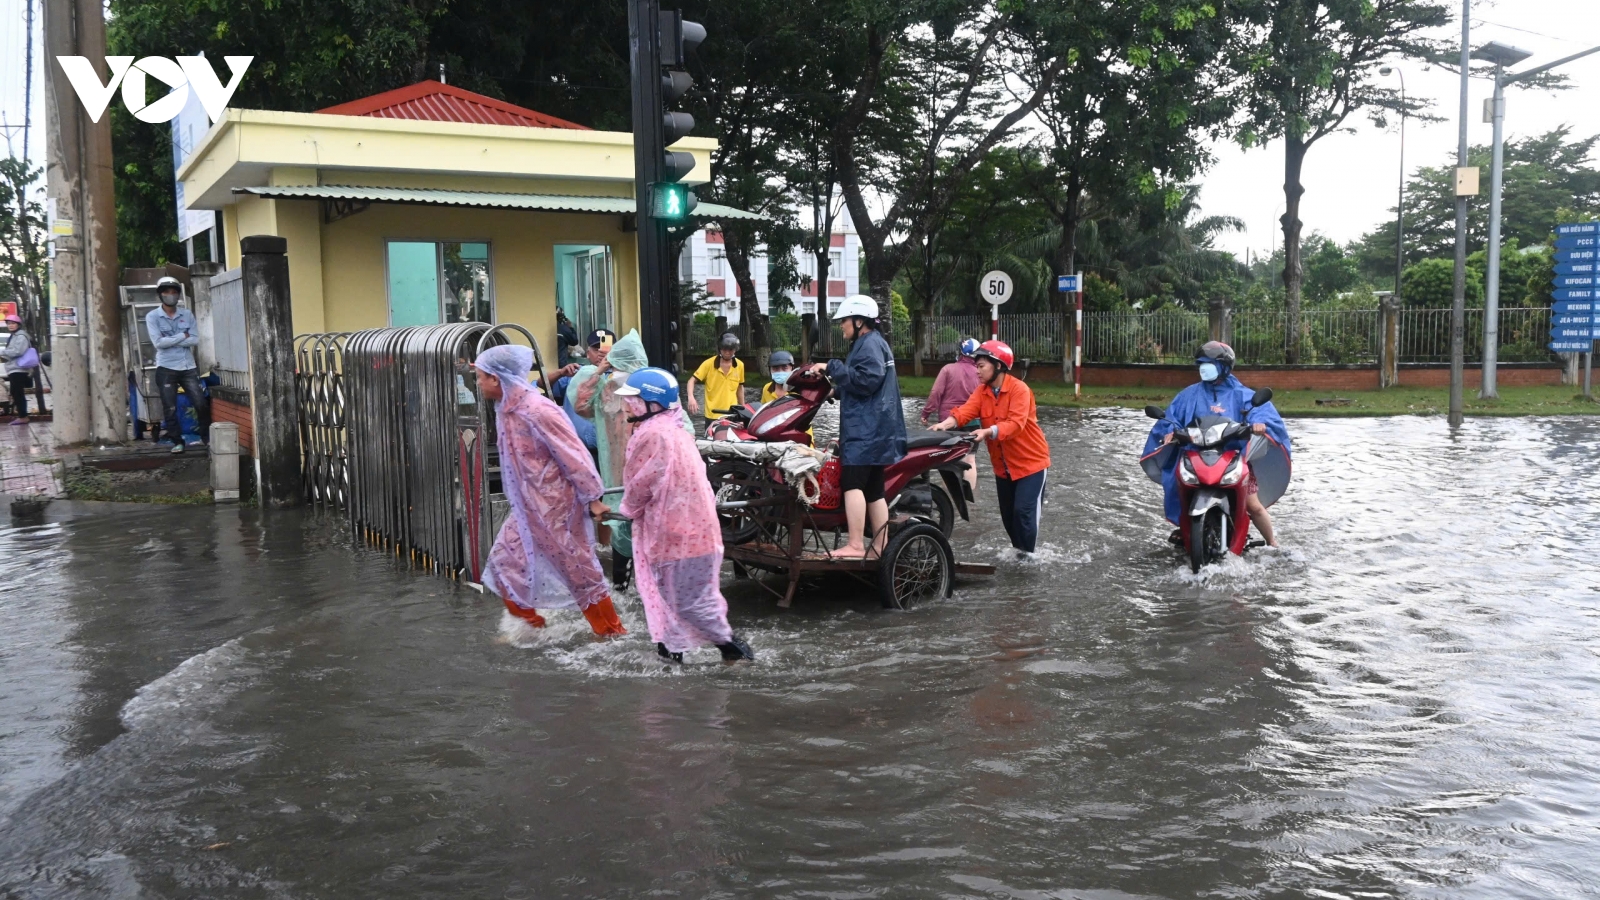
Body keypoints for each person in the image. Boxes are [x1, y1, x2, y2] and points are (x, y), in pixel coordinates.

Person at [473, 343, 627, 637]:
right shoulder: (507, 408)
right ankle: (533, 627)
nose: (477, 383)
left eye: (480, 376)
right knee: (505, 562)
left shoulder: (538, 409)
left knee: (579, 570)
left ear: (495, 378)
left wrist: (593, 499)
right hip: (528, 506)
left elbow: (575, 454)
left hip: (558, 505)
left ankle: (612, 633)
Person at [616, 367, 754, 663]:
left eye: (634, 400)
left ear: (650, 404)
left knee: (690, 605)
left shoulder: (653, 434)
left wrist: (624, 509)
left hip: (677, 537)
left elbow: (640, 484)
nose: (628, 406)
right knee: (679, 602)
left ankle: (735, 653)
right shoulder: (676, 430)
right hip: (696, 534)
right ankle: (672, 659)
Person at [572, 329, 691, 591]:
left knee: (657, 531)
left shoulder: (657, 388)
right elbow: (581, 407)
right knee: (622, 529)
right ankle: (623, 591)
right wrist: (597, 372)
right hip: (618, 473)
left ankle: (660, 591)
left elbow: (686, 432)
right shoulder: (606, 389)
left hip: (654, 474)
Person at [1142, 341, 1290, 547]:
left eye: (1209, 363)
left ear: (1224, 367)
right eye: (1201, 363)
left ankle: (1273, 543)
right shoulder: (1189, 394)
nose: (1204, 367)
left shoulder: (1241, 394)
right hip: (1195, 454)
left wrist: (1259, 424)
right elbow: (1171, 417)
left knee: (1253, 505)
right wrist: (1169, 431)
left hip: (1232, 456)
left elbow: (1261, 411)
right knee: (1179, 484)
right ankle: (1184, 525)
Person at [802, 295, 907, 559]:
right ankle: (880, 548)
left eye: (845, 321)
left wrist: (831, 366)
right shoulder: (873, 343)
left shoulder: (868, 344)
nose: (842, 326)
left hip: (866, 431)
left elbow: (866, 381)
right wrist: (834, 392)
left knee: (852, 484)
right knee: (874, 490)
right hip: (877, 429)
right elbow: (864, 385)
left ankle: (856, 545)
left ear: (859, 321)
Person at [929, 340, 1052, 555]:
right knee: (1008, 517)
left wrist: (987, 432)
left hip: (1031, 464)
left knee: (1023, 512)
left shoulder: (1019, 390)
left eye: (981, 366)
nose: (977, 370)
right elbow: (964, 412)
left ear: (998, 365)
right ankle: (1018, 555)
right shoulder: (982, 392)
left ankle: (1029, 559)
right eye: (976, 366)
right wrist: (944, 424)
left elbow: (1015, 424)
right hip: (1003, 467)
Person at [144, 276, 209, 453]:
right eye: (166, 292)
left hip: (188, 367)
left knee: (200, 403)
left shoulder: (187, 314)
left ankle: (206, 438)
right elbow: (158, 343)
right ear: (160, 295)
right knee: (170, 408)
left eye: (174, 292)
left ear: (178, 295)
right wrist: (182, 336)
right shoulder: (153, 317)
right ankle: (177, 442)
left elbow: (195, 339)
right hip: (166, 368)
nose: (170, 295)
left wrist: (172, 340)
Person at [920, 337, 982, 498]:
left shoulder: (948, 369)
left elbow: (936, 393)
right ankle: (969, 498)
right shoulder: (981, 373)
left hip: (949, 421)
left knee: (947, 459)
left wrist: (926, 412)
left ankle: (948, 495)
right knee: (970, 459)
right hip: (973, 421)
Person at [686, 332, 745, 423]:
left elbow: (739, 388)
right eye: (724, 349)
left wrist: (743, 410)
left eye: (730, 350)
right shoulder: (708, 364)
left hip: (731, 414)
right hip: (712, 414)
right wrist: (691, 398)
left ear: (735, 350)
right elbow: (691, 381)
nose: (727, 352)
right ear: (720, 349)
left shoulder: (740, 365)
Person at [2, 314, 36, 425]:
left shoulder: (21, 336)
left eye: (13, 323)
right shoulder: (14, 336)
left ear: (18, 324)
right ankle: (21, 414)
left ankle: (23, 417)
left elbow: (18, 351)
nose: (10, 325)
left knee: (17, 393)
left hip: (19, 368)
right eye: (9, 323)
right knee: (15, 392)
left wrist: (2, 353)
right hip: (14, 368)